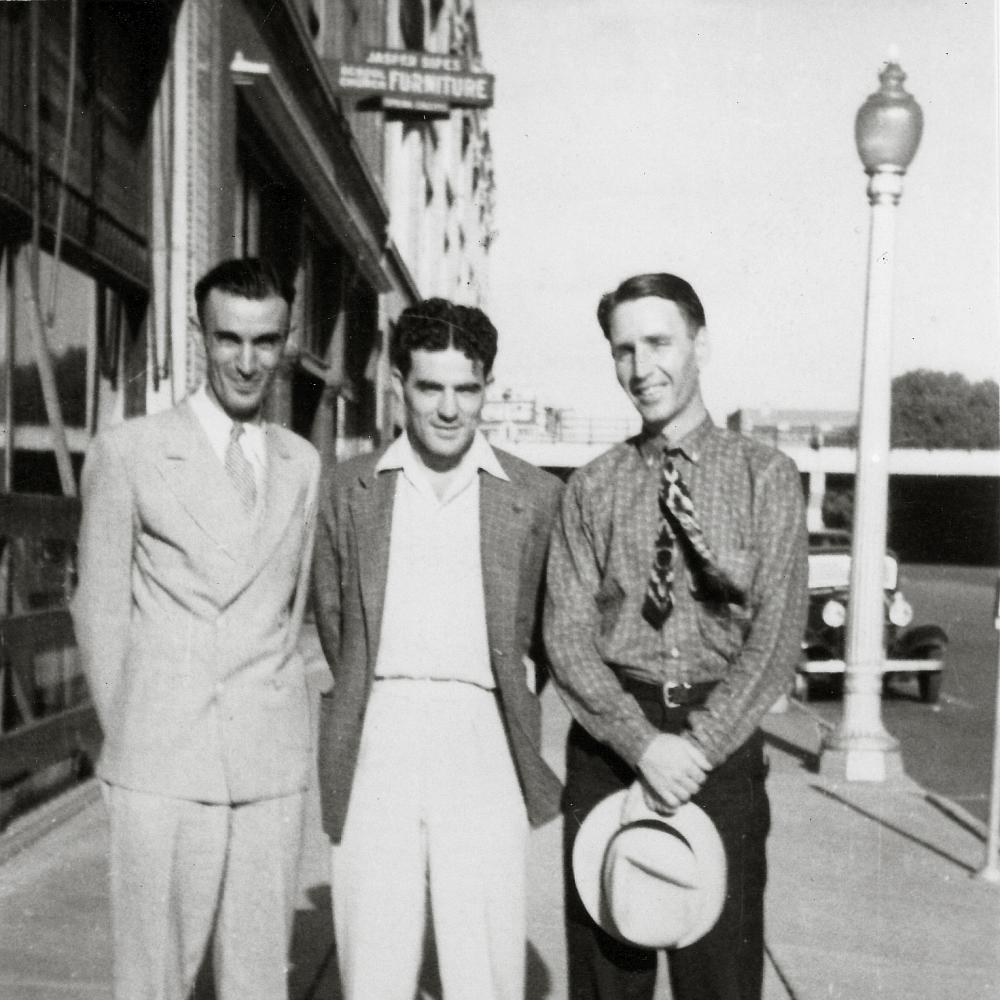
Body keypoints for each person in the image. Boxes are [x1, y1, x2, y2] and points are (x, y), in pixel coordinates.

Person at [544, 272, 808, 1000]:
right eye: (623, 350)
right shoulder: (592, 487)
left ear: (701, 344)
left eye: (658, 342)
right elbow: (566, 637)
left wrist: (693, 748)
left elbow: (777, 634)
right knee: (608, 977)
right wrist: (640, 745)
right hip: (610, 749)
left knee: (719, 979)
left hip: (717, 753)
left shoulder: (767, 477)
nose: (641, 368)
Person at [71, 257, 320, 1000]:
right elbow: (99, 608)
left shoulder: (301, 462)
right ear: (198, 335)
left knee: (256, 984)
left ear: (286, 341)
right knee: (154, 982)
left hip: (268, 766)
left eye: (266, 341)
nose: (247, 362)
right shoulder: (132, 450)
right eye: (229, 339)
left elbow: (291, 608)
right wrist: (135, 740)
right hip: (164, 760)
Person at [311, 297, 563, 1000]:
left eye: (467, 388)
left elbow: (543, 632)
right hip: (377, 729)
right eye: (430, 387)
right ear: (400, 387)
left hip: (482, 733)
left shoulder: (534, 495)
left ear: (487, 389)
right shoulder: (350, 488)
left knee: (482, 957)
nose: (449, 409)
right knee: (374, 957)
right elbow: (333, 618)